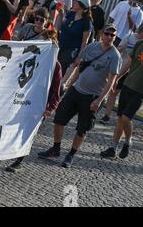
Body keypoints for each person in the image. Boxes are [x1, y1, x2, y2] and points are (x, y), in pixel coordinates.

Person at [38, 24, 122, 168]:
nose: (109, 37)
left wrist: (100, 100)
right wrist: (69, 84)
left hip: (93, 96)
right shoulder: (91, 47)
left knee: (82, 129)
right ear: (102, 34)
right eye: (107, 34)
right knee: (59, 119)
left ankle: (70, 155)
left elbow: (111, 81)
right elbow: (80, 66)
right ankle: (56, 148)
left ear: (115, 38)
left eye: (112, 35)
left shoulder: (115, 56)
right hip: (76, 90)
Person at [6, 9, 63, 172]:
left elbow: (56, 90)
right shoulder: (31, 61)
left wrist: (50, 108)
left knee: (27, 132)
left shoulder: (56, 66)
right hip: (22, 98)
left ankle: (18, 160)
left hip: (38, 104)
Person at [100, 36, 143, 159]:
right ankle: (113, 148)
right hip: (127, 85)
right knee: (120, 118)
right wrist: (117, 77)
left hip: (141, 91)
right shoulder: (140, 43)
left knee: (126, 118)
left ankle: (128, 141)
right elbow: (128, 63)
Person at [99, 23, 143, 125]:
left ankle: (122, 117)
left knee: (125, 96)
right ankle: (107, 114)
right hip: (122, 68)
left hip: (134, 73)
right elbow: (119, 48)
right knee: (113, 92)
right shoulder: (130, 37)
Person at [57, 0, 92, 77]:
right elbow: (59, 27)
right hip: (60, 45)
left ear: (81, 5)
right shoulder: (71, 14)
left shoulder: (86, 22)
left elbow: (85, 41)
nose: (74, 2)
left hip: (70, 51)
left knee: (60, 70)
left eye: (76, 1)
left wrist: (79, 57)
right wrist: (60, 14)